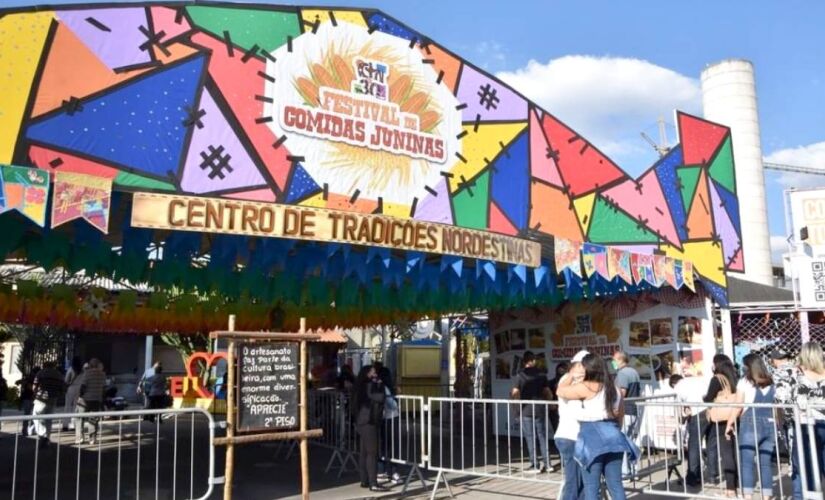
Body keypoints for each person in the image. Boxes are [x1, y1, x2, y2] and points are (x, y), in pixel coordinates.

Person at [557, 353, 638, 500]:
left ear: (589, 368)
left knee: (591, 487)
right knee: (615, 484)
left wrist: (570, 374)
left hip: (591, 438)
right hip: (614, 436)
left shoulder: (586, 387)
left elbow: (560, 391)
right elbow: (620, 415)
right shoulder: (615, 388)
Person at [725, 354, 775, 499]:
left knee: (746, 463)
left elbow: (738, 406)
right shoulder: (771, 381)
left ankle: (748, 497)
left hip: (750, 423)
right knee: (765, 463)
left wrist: (730, 423)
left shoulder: (744, 382)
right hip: (770, 423)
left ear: (748, 367)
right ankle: (767, 497)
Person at [788, 342, 825, 498]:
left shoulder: (797, 376)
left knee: (805, 469)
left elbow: (790, 401)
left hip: (805, 425)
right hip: (821, 423)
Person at [511, 350, 553, 473]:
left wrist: (515, 407)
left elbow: (515, 392)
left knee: (530, 437)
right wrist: (550, 403)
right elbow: (548, 392)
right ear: (533, 361)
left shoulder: (520, 375)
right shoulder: (542, 375)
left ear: (524, 362)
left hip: (526, 409)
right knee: (542, 436)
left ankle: (535, 465)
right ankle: (548, 464)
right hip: (540, 408)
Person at [703, 354, 739, 497]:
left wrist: (704, 398)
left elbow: (708, 398)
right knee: (733, 452)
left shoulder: (717, 379)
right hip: (734, 416)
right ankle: (735, 485)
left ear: (717, 364)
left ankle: (730, 489)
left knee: (726, 454)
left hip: (722, 419)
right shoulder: (734, 378)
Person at [554, 351, 587, 500]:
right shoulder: (567, 380)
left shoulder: (583, 381)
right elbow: (561, 392)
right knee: (573, 481)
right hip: (569, 436)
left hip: (577, 436)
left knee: (582, 481)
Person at [353, 365, 388, 492]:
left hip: (361, 421)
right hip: (369, 421)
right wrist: (380, 385)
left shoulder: (359, 385)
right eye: (373, 372)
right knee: (372, 452)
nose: (375, 374)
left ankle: (365, 480)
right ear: (368, 374)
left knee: (364, 452)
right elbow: (380, 397)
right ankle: (373, 483)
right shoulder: (369, 386)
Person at [672, 371, 711, 487]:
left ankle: (693, 477)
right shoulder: (695, 380)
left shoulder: (678, 387)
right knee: (709, 443)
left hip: (697, 413)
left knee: (693, 446)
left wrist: (681, 418)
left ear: (674, 384)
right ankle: (710, 474)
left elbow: (679, 406)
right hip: (708, 410)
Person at [612, 350, 641, 480]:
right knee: (630, 442)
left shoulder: (622, 374)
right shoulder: (634, 372)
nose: (613, 362)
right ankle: (634, 470)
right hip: (633, 410)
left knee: (623, 442)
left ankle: (625, 472)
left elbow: (621, 393)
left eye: (614, 360)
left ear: (619, 360)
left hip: (626, 411)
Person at [376, 363, 401, 483]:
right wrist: (398, 397)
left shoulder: (378, 386)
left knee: (384, 445)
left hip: (383, 418)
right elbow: (393, 405)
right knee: (391, 446)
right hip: (391, 418)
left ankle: (383, 470)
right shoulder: (387, 388)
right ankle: (392, 471)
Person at [31, 361, 64, 448]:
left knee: (35, 416)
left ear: (44, 365)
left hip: (41, 399)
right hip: (53, 399)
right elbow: (62, 388)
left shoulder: (41, 372)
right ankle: (47, 438)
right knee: (48, 419)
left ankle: (43, 434)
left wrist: (35, 394)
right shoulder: (59, 374)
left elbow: (35, 386)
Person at [75, 358, 106, 445]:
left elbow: (83, 386)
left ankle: (79, 438)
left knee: (79, 418)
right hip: (96, 399)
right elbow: (104, 388)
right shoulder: (102, 374)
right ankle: (92, 439)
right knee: (93, 419)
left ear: (90, 365)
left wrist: (80, 396)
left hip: (85, 399)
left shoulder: (87, 373)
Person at [62, 357, 84, 431]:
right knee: (76, 407)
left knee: (67, 406)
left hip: (71, 388)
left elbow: (66, 380)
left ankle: (65, 425)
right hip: (79, 389)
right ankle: (74, 425)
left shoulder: (71, 369)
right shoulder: (82, 370)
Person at [17, 367, 39, 436]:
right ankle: (28, 430)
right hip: (31, 398)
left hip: (28, 398)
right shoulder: (32, 378)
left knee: (28, 415)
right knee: (32, 415)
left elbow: (19, 383)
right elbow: (30, 388)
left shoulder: (28, 378)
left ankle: (26, 430)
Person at [548, 362, 569, 435]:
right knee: (557, 430)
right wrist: (550, 403)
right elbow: (547, 394)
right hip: (555, 410)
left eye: (563, 372)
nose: (561, 374)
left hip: (568, 409)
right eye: (559, 371)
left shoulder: (572, 383)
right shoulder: (551, 382)